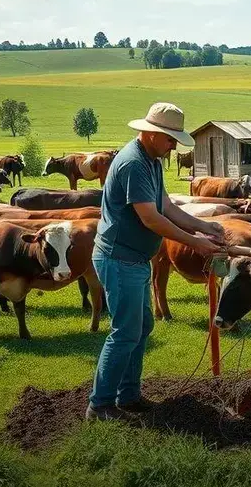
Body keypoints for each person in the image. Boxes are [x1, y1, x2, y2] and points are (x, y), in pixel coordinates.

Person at [87, 102, 227, 421]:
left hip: (134, 259)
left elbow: (167, 207)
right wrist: (196, 242)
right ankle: (100, 405)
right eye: (170, 139)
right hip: (119, 258)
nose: (174, 146)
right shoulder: (134, 164)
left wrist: (204, 226)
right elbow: (151, 219)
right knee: (125, 331)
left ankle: (128, 396)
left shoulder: (152, 161)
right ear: (151, 134)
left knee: (141, 326)